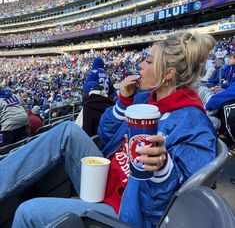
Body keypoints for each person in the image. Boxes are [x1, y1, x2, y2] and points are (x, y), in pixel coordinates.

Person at [0, 32, 216, 228]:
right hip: (107, 179)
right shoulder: (143, 99)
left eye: (149, 61)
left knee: (27, 212)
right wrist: (123, 102)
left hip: (127, 211)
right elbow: (105, 134)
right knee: (67, 130)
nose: (140, 65)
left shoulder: (195, 124)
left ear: (168, 74)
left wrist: (162, 168)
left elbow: (179, 206)